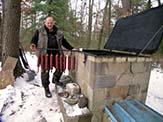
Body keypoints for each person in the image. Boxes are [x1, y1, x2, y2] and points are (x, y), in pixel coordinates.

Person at [30, 16, 74, 98]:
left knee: (60, 68)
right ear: (45, 23)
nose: (49, 24)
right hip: (44, 55)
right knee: (45, 72)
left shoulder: (59, 32)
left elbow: (64, 42)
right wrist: (33, 44)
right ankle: (46, 88)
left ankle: (55, 79)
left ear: (53, 23)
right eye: (48, 23)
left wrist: (72, 48)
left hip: (56, 55)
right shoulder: (39, 31)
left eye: (51, 23)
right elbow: (34, 40)